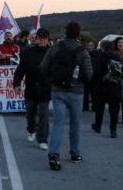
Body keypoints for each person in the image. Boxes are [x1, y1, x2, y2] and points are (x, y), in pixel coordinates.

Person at [40, 21, 93, 171]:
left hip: (58, 90)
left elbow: (43, 67)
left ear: (65, 32)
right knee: (75, 124)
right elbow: (89, 73)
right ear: (78, 34)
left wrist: (53, 79)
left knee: (58, 123)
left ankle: (54, 154)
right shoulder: (82, 51)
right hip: (76, 91)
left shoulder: (55, 48)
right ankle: (75, 153)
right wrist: (81, 82)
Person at [13, 28, 51, 150]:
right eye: (39, 37)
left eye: (44, 38)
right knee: (30, 114)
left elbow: (56, 70)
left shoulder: (52, 53)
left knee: (44, 116)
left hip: (45, 89)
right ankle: (31, 129)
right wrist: (16, 84)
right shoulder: (27, 52)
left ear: (47, 39)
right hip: (31, 88)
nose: (41, 40)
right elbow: (20, 70)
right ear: (36, 38)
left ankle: (43, 139)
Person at [91, 40, 122, 138]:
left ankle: (98, 126)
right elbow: (121, 72)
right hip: (114, 86)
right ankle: (113, 130)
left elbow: (96, 72)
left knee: (100, 108)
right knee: (114, 110)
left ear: (103, 47)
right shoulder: (117, 57)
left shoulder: (101, 57)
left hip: (102, 87)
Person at [83, 41, 100, 111]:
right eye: (89, 45)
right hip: (86, 76)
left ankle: (94, 106)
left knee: (94, 93)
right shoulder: (84, 54)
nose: (90, 47)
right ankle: (85, 106)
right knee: (86, 93)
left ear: (94, 46)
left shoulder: (97, 54)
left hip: (94, 76)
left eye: (91, 45)